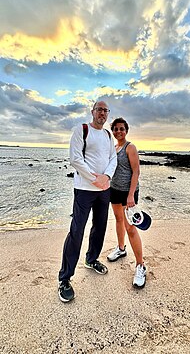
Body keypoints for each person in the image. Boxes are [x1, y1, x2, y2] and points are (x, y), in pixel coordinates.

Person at [58, 101, 117, 302]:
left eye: (105, 110)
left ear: (107, 114)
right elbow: (75, 159)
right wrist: (95, 178)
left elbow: (113, 159)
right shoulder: (81, 129)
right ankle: (65, 279)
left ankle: (91, 260)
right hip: (84, 189)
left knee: (100, 228)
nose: (102, 113)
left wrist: (106, 178)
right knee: (77, 231)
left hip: (104, 190)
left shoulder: (108, 135)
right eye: (99, 109)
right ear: (92, 112)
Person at [107, 117, 146, 288]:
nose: (118, 131)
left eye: (121, 129)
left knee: (131, 227)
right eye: (115, 129)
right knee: (118, 220)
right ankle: (121, 249)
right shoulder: (113, 147)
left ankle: (140, 265)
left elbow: (136, 171)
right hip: (114, 189)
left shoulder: (130, 147)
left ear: (126, 130)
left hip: (128, 193)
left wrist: (131, 195)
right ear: (113, 131)